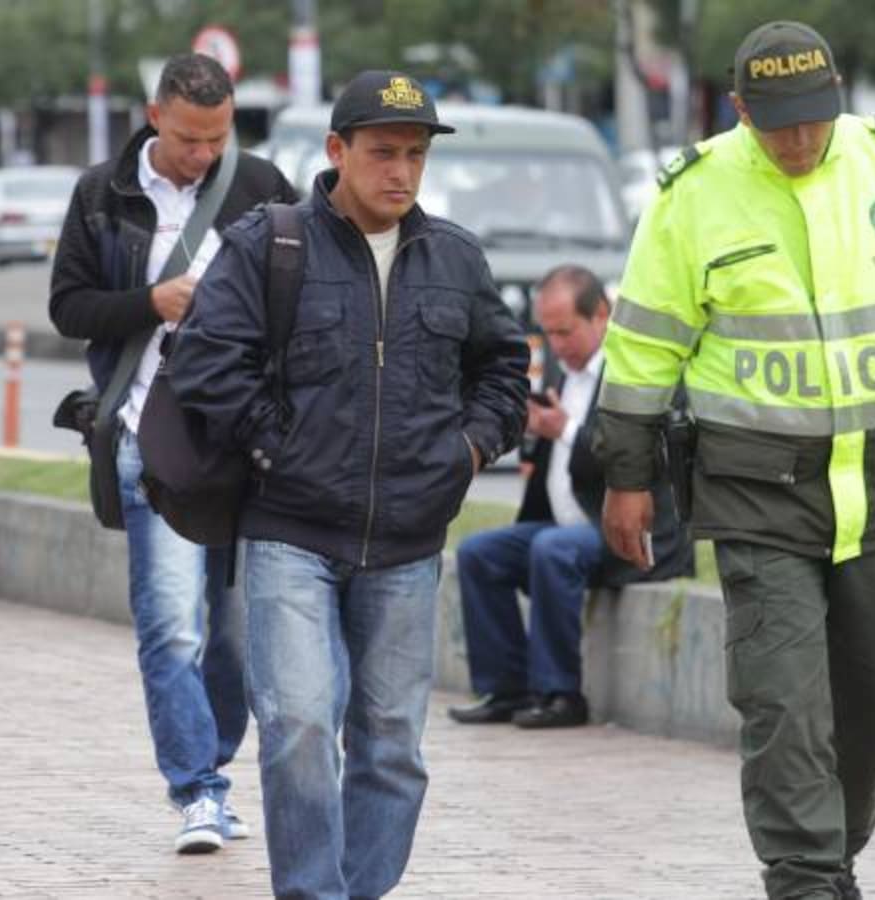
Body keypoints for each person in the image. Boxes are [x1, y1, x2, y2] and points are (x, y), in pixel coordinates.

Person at [594, 21, 875, 900]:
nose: (799, 140)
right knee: (784, 702)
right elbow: (641, 352)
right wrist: (628, 479)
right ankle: (805, 876)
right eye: (778, 122)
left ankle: (832, 854)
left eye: (815, 120)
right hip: (758, 490)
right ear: (740, 110)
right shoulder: (693, 195)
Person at [168, 69, 529, 899]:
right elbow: (206, 362)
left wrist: (470, 451)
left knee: (393, 742)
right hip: (289, 531)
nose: (399, 171)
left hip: (406, 542)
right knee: (296, 724)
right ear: (338, 151)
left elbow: (505, 371)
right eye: (381, 152)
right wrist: (276, 449)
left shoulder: (455, 259)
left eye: (414, 155)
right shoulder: (270, 243)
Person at [49, 53, 298, 855]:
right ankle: (197, 789)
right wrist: (150, 303)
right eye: (190, 139)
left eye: (218, 138)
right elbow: (67, 307)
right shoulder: (100, 195)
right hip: (141, 435)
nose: (203, 155)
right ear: (155, 117)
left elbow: (306, 292)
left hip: (238, 438)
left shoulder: (261, 185)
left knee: (231, 634)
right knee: (171, 628)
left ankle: (214, 753)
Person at [447, 266, 691, 729]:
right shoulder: (563, 370)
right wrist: (536, 431)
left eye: (565, 332)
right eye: (549, 333)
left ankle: (560, 693)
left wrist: (566, 430)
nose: (557, 345)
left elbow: (643, 454)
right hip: (564, 526)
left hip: (624, 529)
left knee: (551, 550)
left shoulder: (633, 367)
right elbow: (554, 454)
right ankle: (505, 687)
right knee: (479, 553)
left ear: (600, 314)